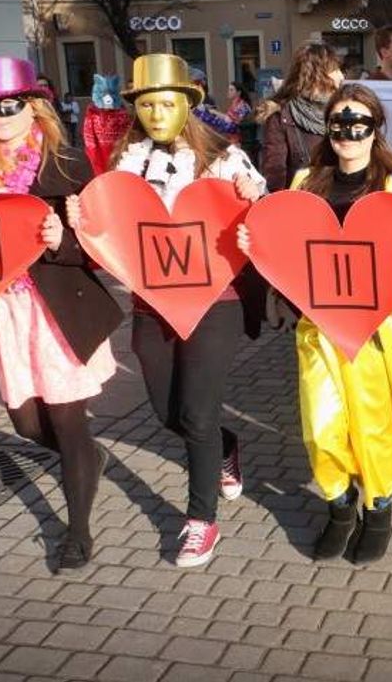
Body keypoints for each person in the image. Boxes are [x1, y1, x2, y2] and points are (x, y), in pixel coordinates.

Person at [239, 84, 392, 564]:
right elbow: (287, 243)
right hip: (319, 326)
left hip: (382, 327)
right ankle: (340, 507)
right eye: (339, 122)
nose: (348, 132)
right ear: (328, 127)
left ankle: (378, 508)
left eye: (358, 122)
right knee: (323, 426)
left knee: (373, 425)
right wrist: (255, 244)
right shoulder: (307, 180)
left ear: (375, 128)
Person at [70, 54, 267, 569]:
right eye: (148, 105)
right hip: (151, 304)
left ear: (188, 106)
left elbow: (262, 218)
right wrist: (81, 219)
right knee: (167, 412)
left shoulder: (225, 158)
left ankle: (200, 520)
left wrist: (254, 196)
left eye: (167, 103)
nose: (158, 114)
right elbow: (108, 226)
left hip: (213, 302)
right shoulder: (123, 163)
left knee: (196, 413)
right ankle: (224, 446)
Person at [0, 56, 123, 572]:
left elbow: (99, 248)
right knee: (26, 425)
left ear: (32, 107)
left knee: (68, 423)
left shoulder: (67, 165)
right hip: (6, 312)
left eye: (8, 105)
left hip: (58, 312)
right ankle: (88, 459)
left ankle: (79, 532)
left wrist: (60, 240)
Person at [259, 43, 344, 192]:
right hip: (304, 203)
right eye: (335, 70)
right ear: (317, 75)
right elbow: (275, 173)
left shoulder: (344, 109)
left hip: (342, 197)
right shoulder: (282, 116)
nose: (342, 76)